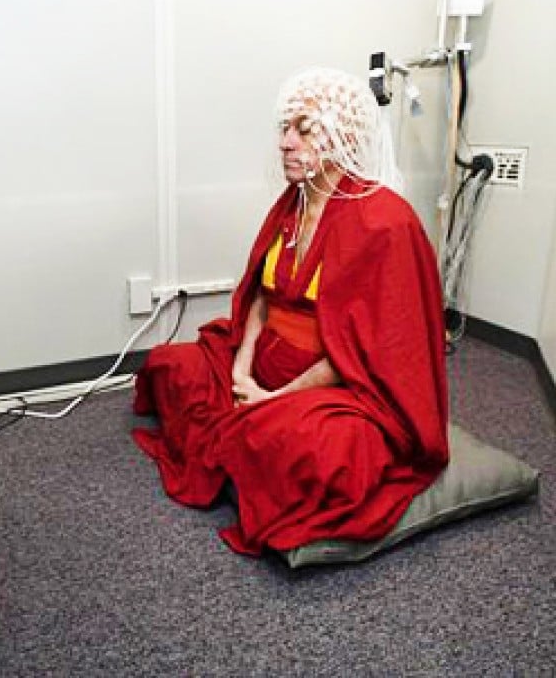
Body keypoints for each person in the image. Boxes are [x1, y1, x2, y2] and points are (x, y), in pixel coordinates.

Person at [132, 67, 449, 556]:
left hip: (338, 385)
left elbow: (366, 351)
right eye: (284, 129)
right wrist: (241, 370)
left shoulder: (385, 221)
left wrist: (271, 397)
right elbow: (261, 295)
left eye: (304, 129)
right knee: (172, 365)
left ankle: (251, 434)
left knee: (314, 450)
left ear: (344, 135)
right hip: (261, 361)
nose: (285, 143)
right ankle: (245, 430)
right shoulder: (292, 204)